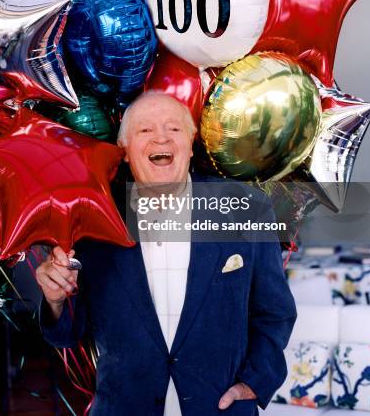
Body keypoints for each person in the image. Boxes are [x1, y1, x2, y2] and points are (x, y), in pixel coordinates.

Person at [36, 91, 297, 415]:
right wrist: (57, 301)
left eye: (173, 129)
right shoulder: (90, 216)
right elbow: (68, 335)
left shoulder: (246, 207)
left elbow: (275, 312)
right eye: (145, 130)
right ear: (125, 151)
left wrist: (256, 381)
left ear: (191, 143)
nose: (161, 137)